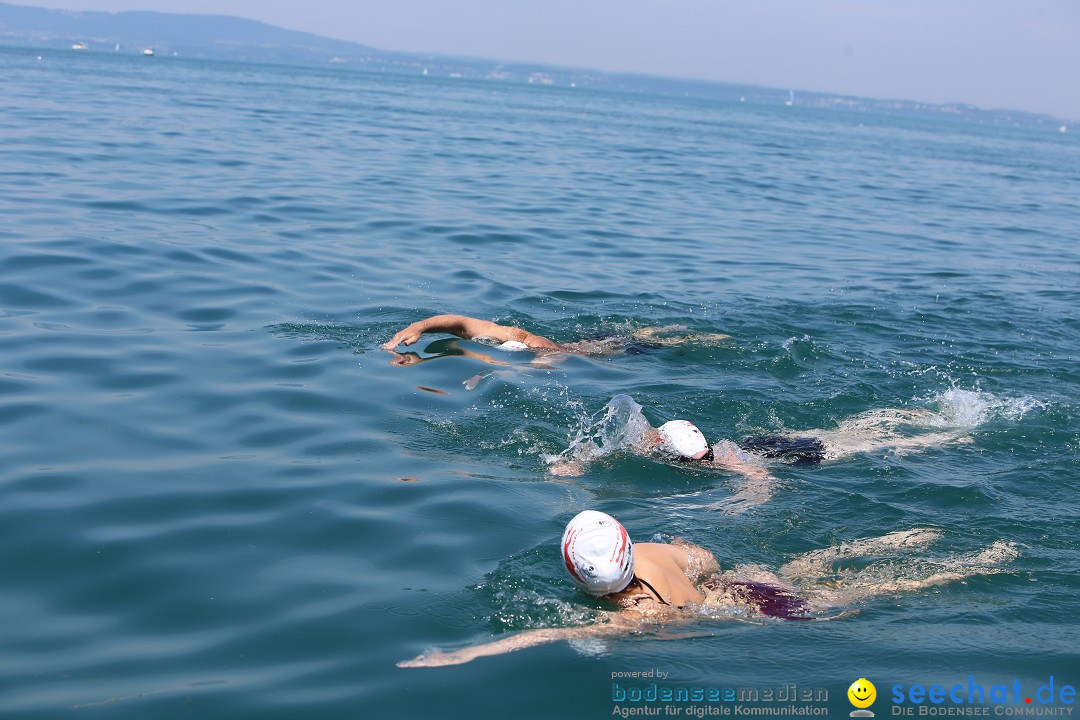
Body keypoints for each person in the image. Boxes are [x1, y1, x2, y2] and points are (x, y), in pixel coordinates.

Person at [398, 510, 1017, 668]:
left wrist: (467, 651)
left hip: (766, 614)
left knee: (871, 595)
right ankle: (913, 535)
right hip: (743, 583)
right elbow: (705, 557)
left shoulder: (629, 618)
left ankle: (979, 560)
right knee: (826, 560)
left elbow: (550, 632)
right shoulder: (655, 552)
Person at [548, 395, 973, 510]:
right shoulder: (656, 441)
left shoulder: (719, 459)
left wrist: (747, 500)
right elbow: (606, 446)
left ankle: (940, 435)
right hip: (759, 442)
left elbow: (760, 477)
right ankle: (917, 415)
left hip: (779, 454)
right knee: (846, 431)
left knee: (859, 443)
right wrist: (577, 462)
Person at [382, 314, 731, 357]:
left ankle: (697, 337)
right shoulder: (504, 338)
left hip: (595, 355)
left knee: (633, 343)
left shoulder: (526, 342)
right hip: (580, 345)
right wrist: (417, 327)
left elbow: (461, 328)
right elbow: (461, 323)